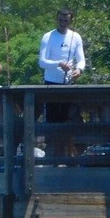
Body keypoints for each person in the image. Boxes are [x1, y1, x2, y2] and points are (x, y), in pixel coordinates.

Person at [38, 8, 86, 156]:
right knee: (54, 122)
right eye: (60, 20)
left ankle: (70, 156)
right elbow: (42, 62)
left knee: (69, 121)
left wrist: (79, 69)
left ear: (70, 21)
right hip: (51, 85)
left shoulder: (76, 37)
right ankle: (55, 156)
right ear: (57, 20)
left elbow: (81, 60)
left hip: (68, 85)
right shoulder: (48, 36)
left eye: (66, 20)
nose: (63, 23)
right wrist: (59, 64)